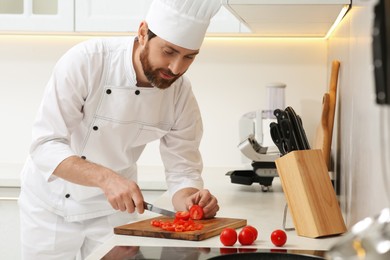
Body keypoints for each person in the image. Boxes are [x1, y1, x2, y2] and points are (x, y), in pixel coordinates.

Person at [18, 0, 221, 259]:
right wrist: (107, 179)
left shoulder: (180, 95)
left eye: (189, 57)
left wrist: (192, 200)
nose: (176, 68)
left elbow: (183, 172)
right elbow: (45, 145)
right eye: (169, 52)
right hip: (49, 208)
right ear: (143, 33)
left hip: (113, 211)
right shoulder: (88, 62)